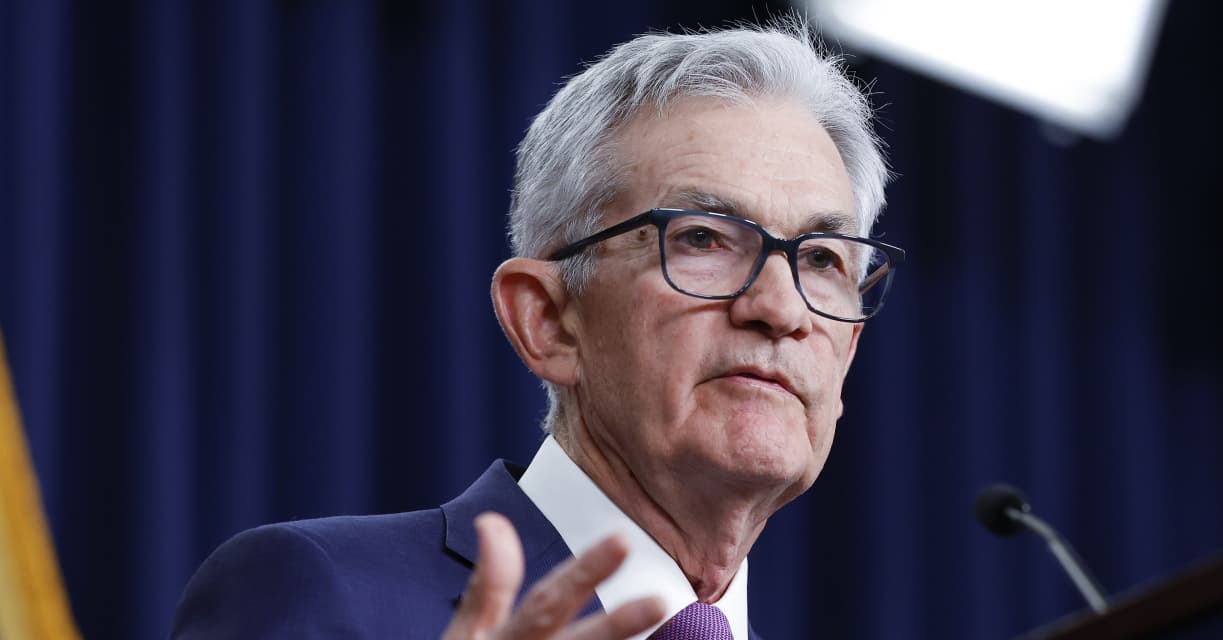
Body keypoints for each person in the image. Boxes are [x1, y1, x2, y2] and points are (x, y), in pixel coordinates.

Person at [171, 19, 900, 640]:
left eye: (822, 259)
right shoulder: (320, 593)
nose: (781, 308)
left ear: (848, 351)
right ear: (547, 319)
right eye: (702, 239)